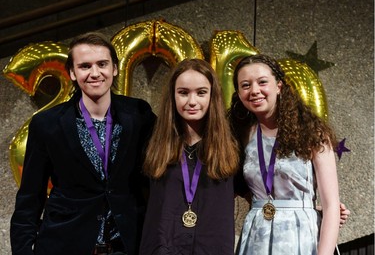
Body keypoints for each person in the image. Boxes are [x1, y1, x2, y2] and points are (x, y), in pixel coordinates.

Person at [10, 32, 156, 255]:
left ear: (115, 68)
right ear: (71, 72)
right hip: (65, 244)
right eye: (85, 66)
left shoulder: (139, 114)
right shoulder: (47, 124)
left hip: (127, 244)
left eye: (102, 64)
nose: (95, 73)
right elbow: (30, 197)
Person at [229, 54, 341, 255]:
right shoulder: (241, 134)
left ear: (279, 86)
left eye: (262, 82)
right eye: (245, 85)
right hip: (256, 236)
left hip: (301, 235)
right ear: (238, 92)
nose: (254, 90)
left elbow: (331, 205)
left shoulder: (312, 131)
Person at [139, 58, 240, 255]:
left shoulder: (232, 145)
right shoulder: (152, 143)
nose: (192, 101)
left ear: (213, 96)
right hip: (163, 247)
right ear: (173, 96)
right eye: (183, 93)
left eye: (201, 93)